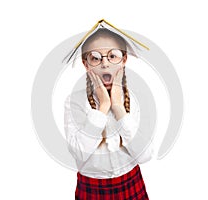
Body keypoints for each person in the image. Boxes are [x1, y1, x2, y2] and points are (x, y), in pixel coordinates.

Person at [64, 28, 154, 199]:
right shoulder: (74, 101)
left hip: (130, 182)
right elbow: (79, 155)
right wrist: (103, 106)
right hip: (91, 187)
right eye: (96, 58)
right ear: (86, 64)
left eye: (112, 56)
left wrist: (119, 108)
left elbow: (145, 156)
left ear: (124, 60)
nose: (105, 64)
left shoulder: (135, 99)